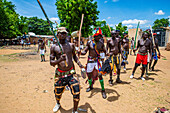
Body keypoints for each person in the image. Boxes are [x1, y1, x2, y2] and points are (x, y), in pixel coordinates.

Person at [50, 27, 84, 113]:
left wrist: (80, 66)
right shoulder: (54, 47)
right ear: (57, 34)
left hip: (71, 73)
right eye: (61, 33)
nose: (63, 35)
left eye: (64, 33)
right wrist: (60, 60)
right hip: (60, 74)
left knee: (77, 92)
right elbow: (51, 62)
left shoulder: (71, 45)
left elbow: (74, 57)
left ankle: (75, 110)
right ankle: (58, 103)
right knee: (58, 92)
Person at [81, 28, 108, 99]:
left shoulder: (101, 43)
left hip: (97, 61)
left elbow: (105, 51)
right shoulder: (89, 42)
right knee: (89, 75)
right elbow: (85, 51)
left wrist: (107, 54)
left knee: (100, 74)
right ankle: (90, 86)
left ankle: (103, 90)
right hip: (90, 61)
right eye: (98, 36)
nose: (99, 37)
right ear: (94, 36)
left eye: (100, 36)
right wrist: (81, 52)